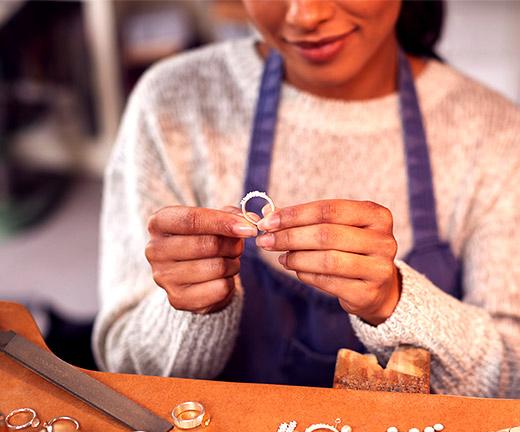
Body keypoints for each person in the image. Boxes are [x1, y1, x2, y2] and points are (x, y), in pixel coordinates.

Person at [93, 0, 520, 397]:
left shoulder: (495, 132)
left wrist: (394, 301)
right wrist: (193, 312)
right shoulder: (170, 103)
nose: (304, 16)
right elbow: (122, 365)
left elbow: (511, 379)